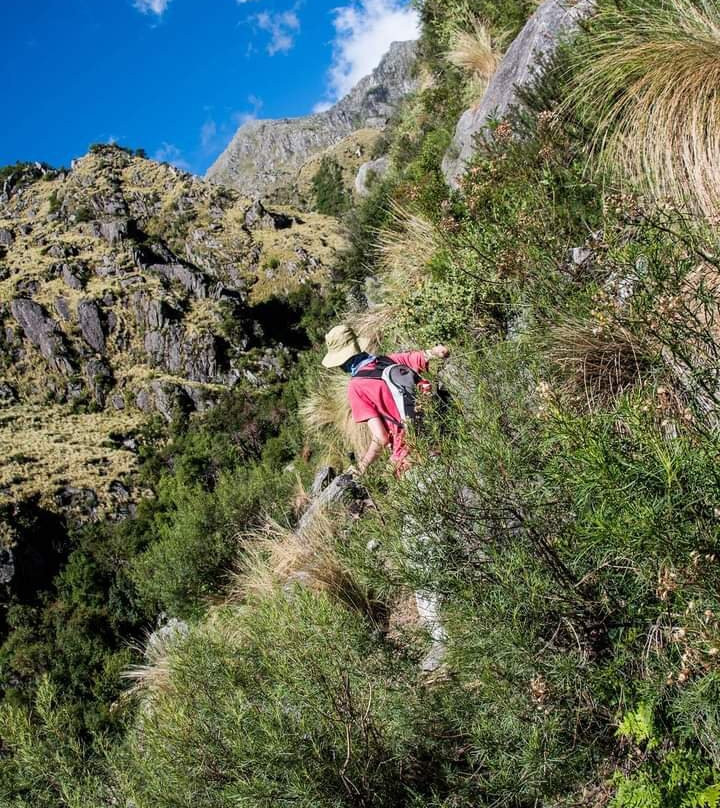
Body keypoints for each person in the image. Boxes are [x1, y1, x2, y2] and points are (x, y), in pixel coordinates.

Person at [321, 324, 450, 475]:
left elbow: (381, 438)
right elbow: (427, 356)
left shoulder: (357, 387)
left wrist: (362, 465)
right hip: (441, 431)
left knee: (388, 480)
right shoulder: (389, 360)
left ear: (341, 362)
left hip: (410, 452)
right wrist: (438, 350)